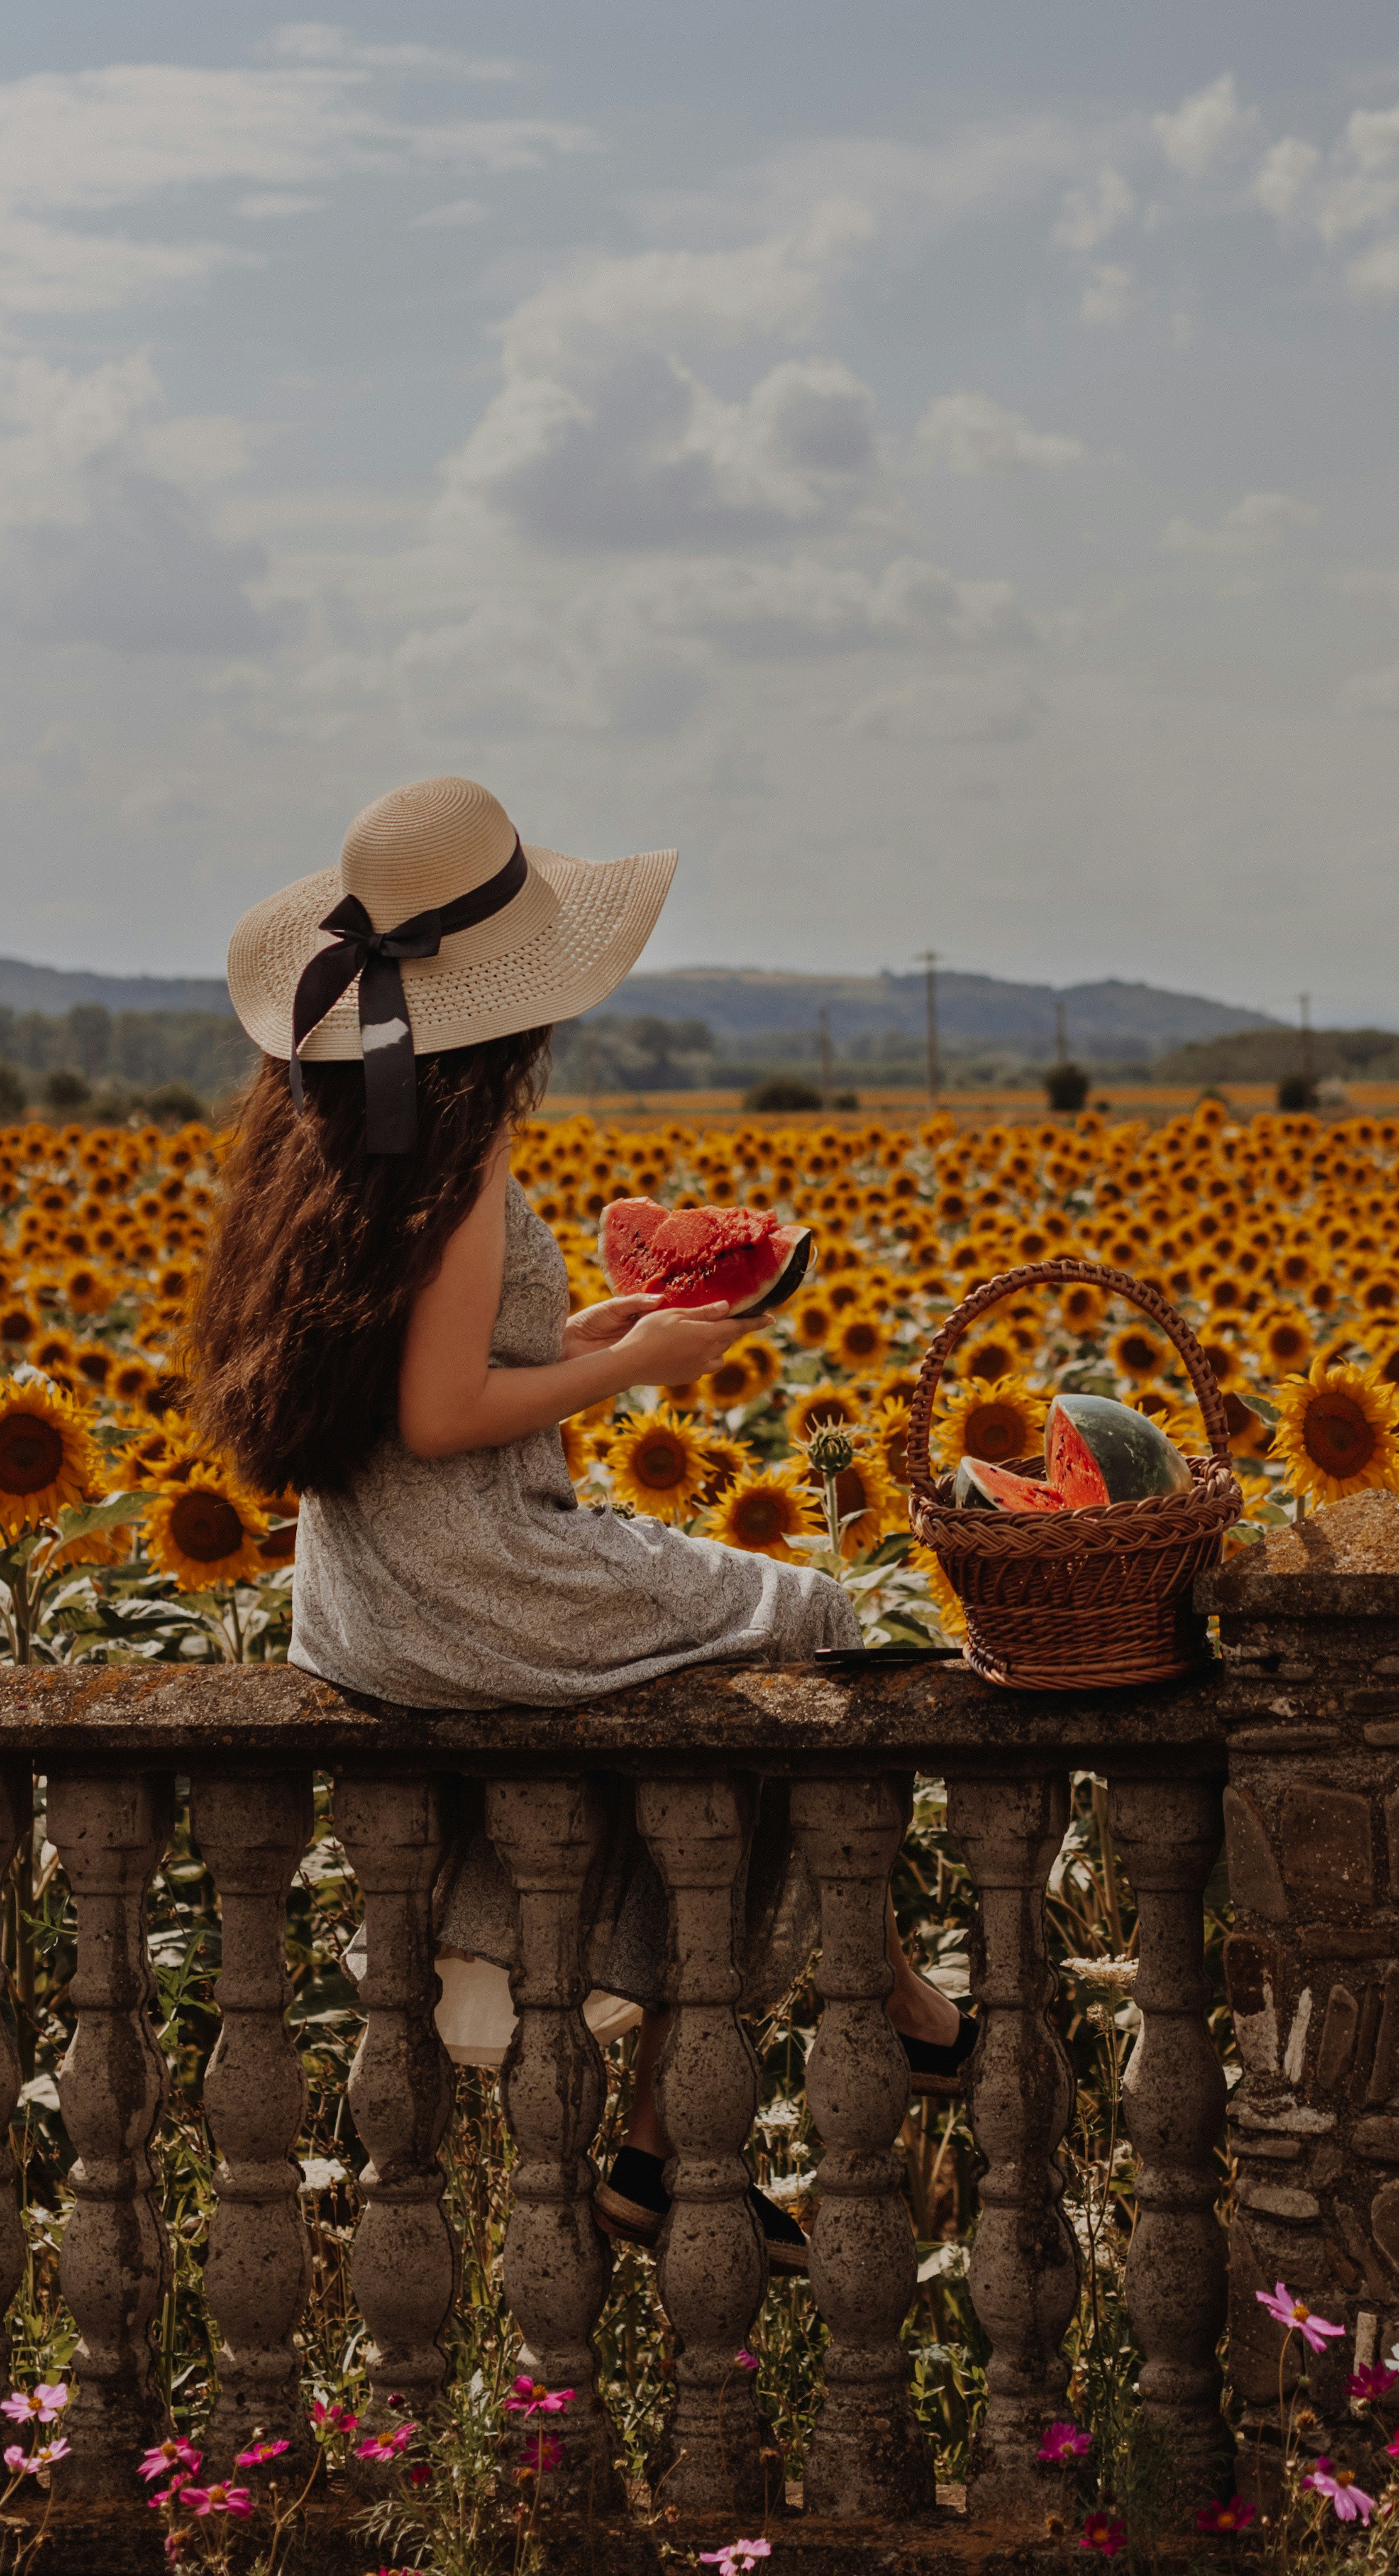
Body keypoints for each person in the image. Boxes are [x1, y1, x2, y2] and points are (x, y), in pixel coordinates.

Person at [193, 771, 969, 2269]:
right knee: (814, 1623)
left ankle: (720, 2122)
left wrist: (587, 1324)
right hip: (475, 1569)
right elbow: (436, 1421)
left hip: (363, 1592)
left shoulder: (332, 1134)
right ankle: (862, 2031)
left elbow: (419, 1364)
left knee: (732, 1701)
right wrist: (636, 1364)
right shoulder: (463, 1155)